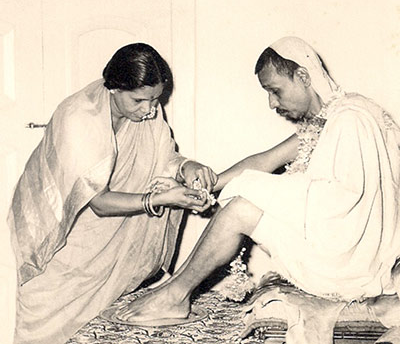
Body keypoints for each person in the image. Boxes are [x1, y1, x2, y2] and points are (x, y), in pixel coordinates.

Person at [117, 36, 400, 332]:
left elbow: (346, 201)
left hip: (353, 258)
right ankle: (173, 291)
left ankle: (174, 296)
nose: (272, 103)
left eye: (275, 91)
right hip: (338, 242)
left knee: (242, 207)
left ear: (303, 77)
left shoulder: (350, 119)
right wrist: (207, 186)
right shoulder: (326, 119)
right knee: (244, 200)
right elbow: (265, 160)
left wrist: (254, 186)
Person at [8, 43, 217, 344]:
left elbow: (163, 159)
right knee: (42, 323)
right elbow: (99, 202)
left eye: (155, 100)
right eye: (140, 100)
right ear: (114, 88)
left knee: (103, 329)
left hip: (111, 248)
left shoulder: (147, 113)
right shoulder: (77, 117)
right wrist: (160, 200)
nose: (149, 110)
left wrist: (187, 167)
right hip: (66, 239)